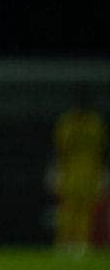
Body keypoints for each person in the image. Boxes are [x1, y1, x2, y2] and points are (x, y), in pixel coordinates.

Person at [50, 91, 108, 251]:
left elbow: (101, 151)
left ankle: (81, 243)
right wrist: (57, 173)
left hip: (90, 172)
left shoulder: (95, 123)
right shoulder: (67, 122)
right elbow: (60, 150)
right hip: (69, 172)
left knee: (86, 210)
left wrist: (102, 174)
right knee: (67, 209)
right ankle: (64, 243)